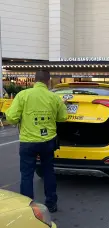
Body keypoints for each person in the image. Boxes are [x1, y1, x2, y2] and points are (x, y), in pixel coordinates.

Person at [5, 70, 68, 213]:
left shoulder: (23, 95)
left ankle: (27, 207)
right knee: (48, 172)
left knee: (27, 175)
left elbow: (11, 118)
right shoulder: (54, 98)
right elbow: (63, 117)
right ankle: (51, 203)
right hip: (48, 141)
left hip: (28, 142)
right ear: (48, 81)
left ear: (34, 80)